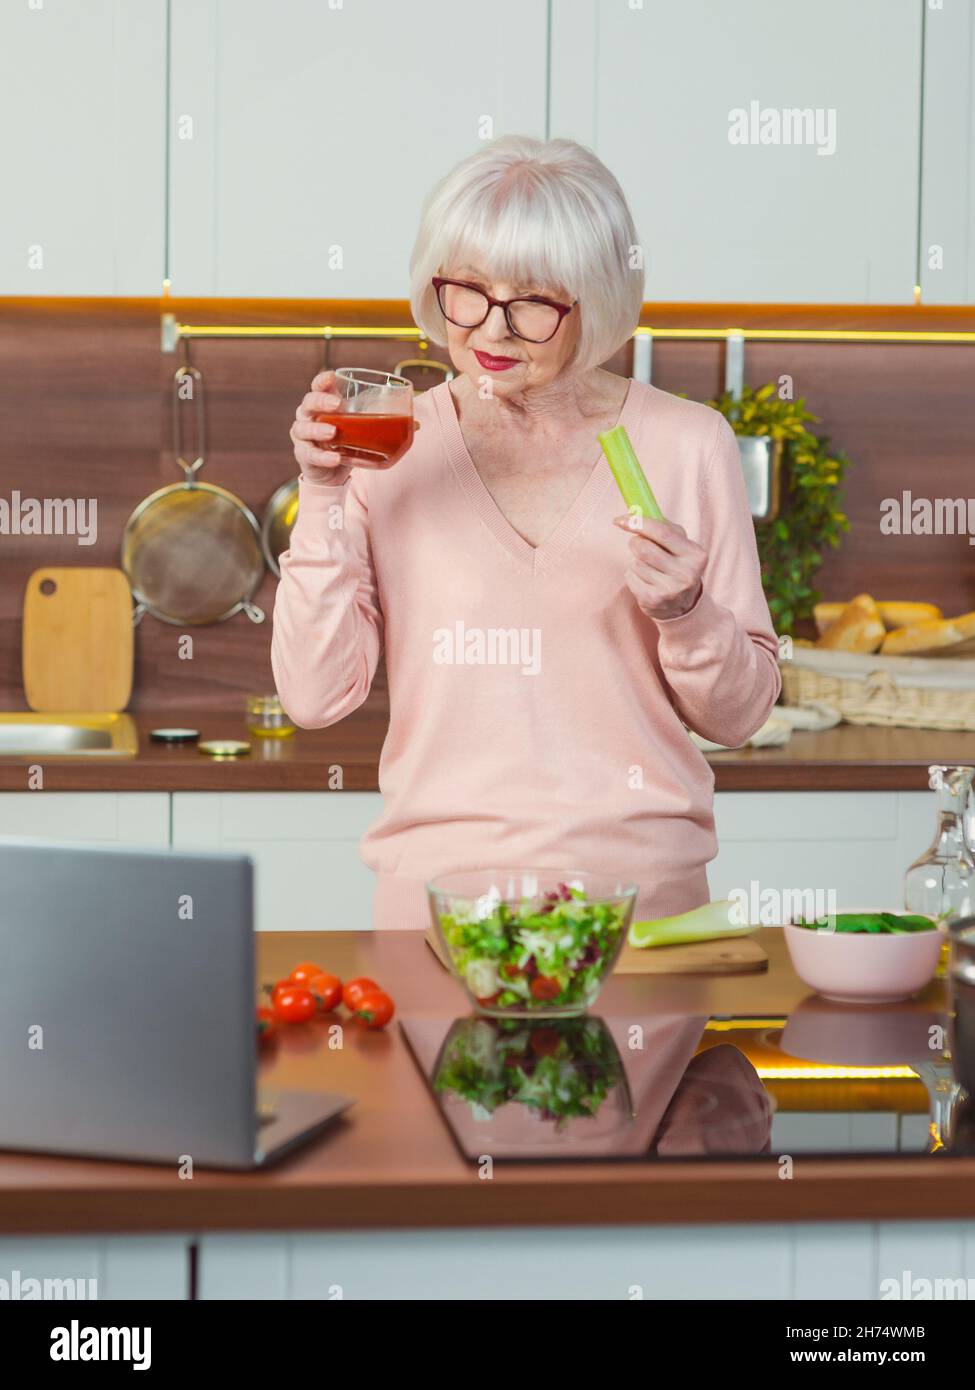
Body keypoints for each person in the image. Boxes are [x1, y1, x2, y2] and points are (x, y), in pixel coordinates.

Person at [272, 135, 780, 929]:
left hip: (639, 911)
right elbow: (314, 695)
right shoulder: (389, 445)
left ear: (598, 301)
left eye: (534, 302)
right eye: (465, 291)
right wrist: (323, 491)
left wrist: (689, 615)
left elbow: (740, 717)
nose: (490, 331)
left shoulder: (687, 443)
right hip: (438, 909)